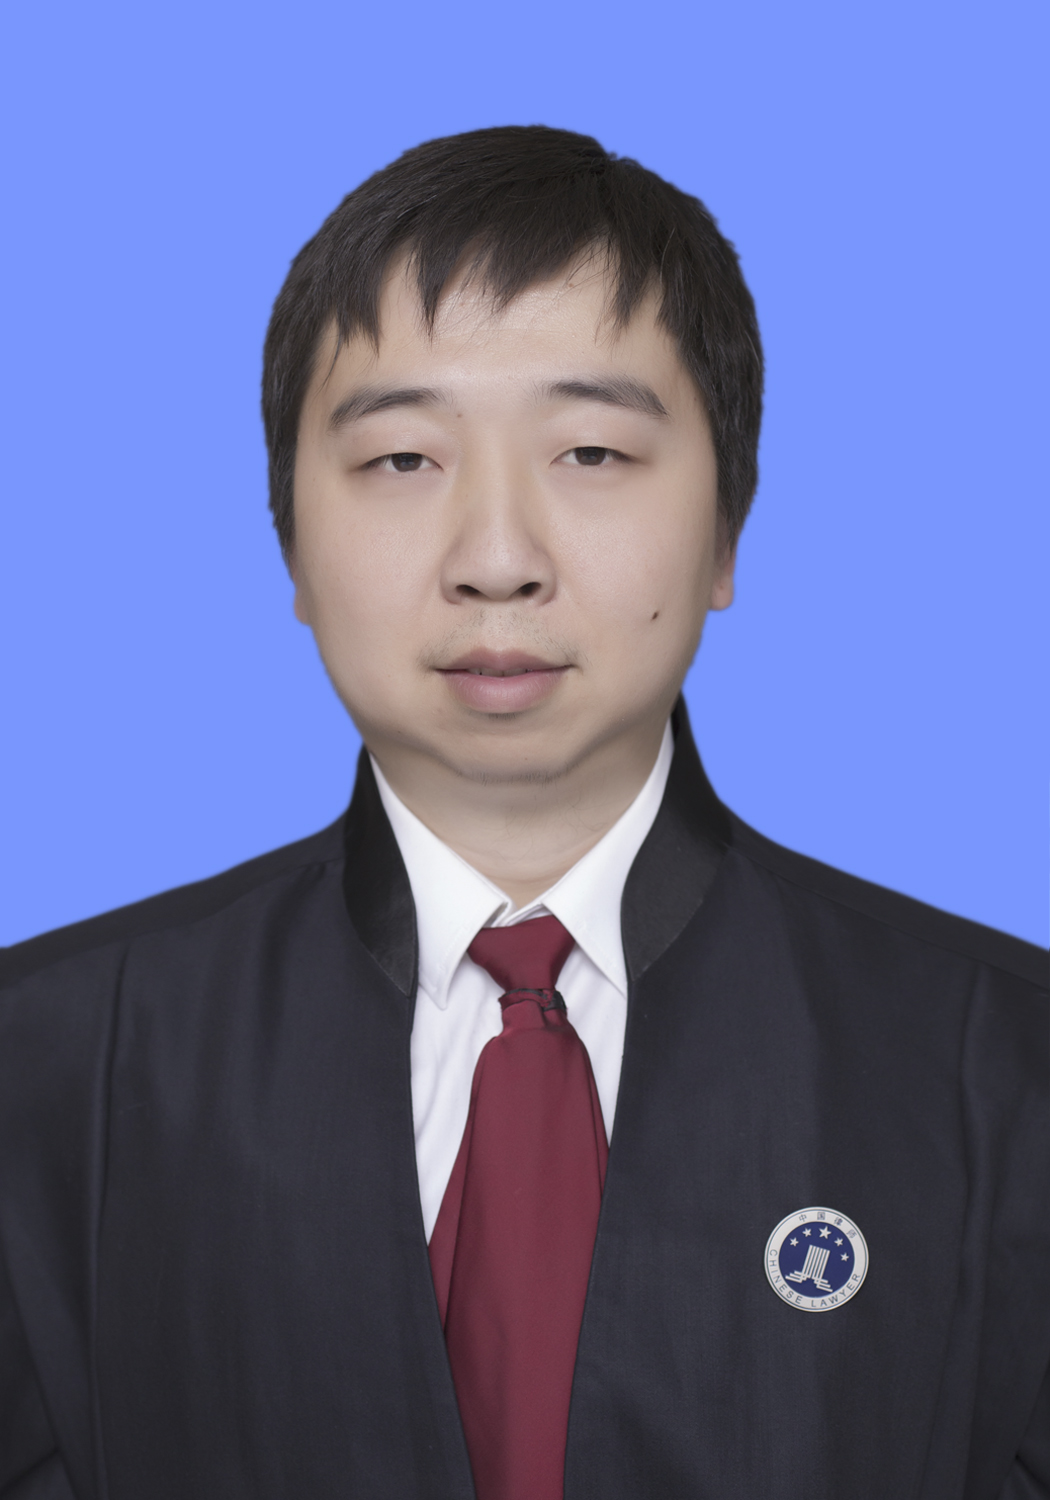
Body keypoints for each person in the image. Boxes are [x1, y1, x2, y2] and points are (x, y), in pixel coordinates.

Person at [0, 125, 1046, 1500]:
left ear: (726, 529)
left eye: (592, 452)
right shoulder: (46, 1070)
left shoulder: (1005, 1066)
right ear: (289, 543)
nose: (496, 560)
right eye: (401, 460)